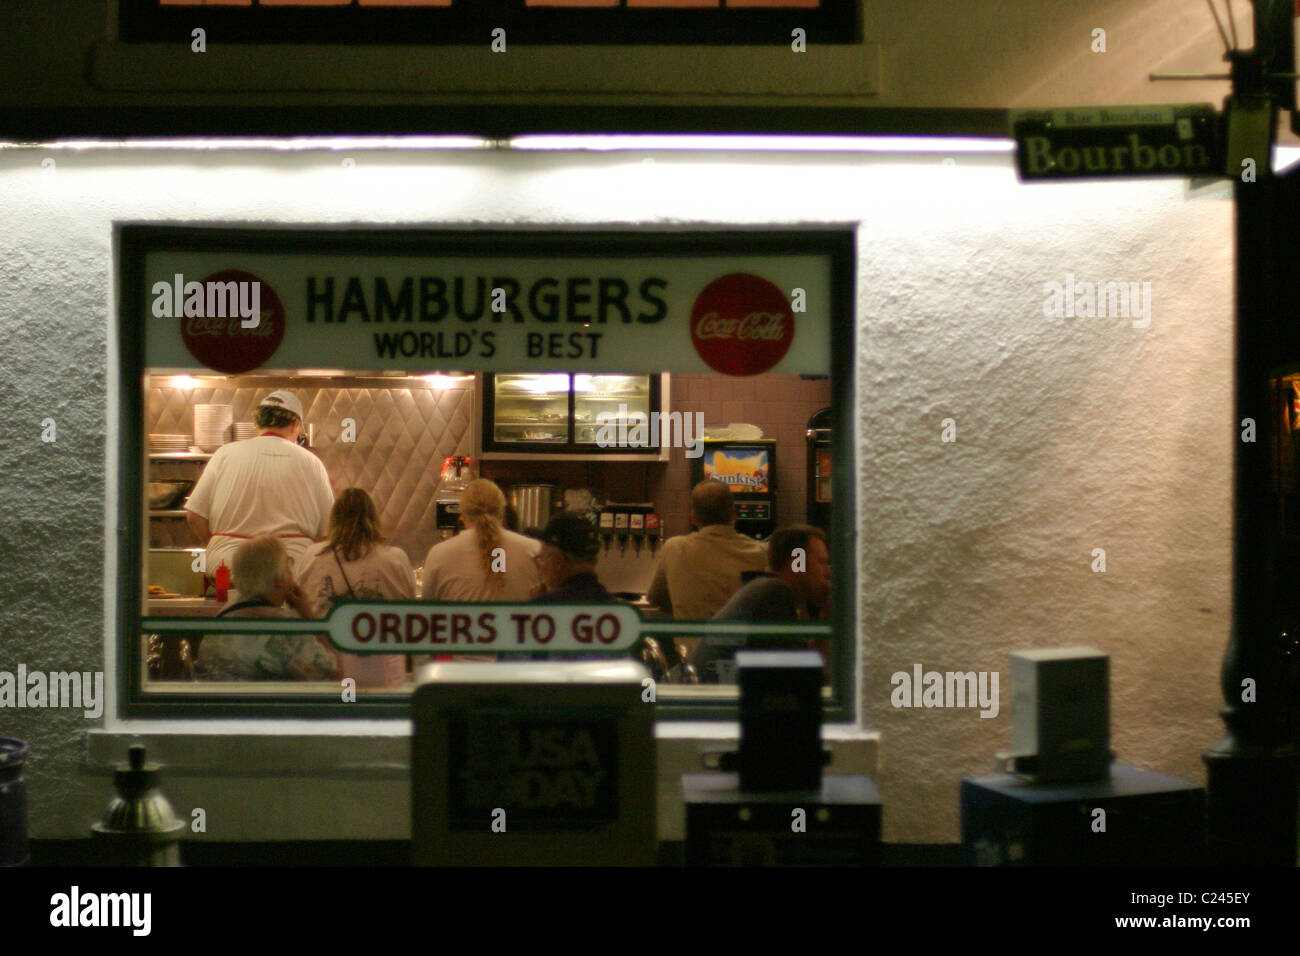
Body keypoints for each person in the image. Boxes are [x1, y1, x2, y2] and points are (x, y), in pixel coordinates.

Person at [186, 390, 334, 590]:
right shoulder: (311, 462)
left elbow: (194, 516)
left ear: (258, 422)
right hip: (290, 572)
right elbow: (328, 530)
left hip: (229, 567)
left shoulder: (225, 454)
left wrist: (217, 544)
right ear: (295, 425)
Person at [295, 488, 415, 687]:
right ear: (374, 518)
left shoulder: (312, 556)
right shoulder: (395, 559)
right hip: (383, 670)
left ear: (334, 519)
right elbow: (411, 617)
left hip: (327, 668)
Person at [690, 524, 831, 684]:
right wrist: (829, 615)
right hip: (714, 702)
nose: (828, 572)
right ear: (797, 563)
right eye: (821, 562)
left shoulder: (765, 591)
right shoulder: (773, 592)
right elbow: (803, 678)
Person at [197, 536, 340, 682]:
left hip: (217, 701)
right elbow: (334, 675)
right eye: (288, 564)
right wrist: (308, 616)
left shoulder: (223, 616)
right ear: (279, 579)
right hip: (263, 703)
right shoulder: (284, 630)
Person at [646, 480, 770, 621]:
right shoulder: (761, 552)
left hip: (688, 643)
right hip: (739, 643)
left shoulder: (673, 548)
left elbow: (656, 598)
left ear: (693, 517)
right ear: (733, 513)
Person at [421, 478, 542, 602]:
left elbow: (427, 609)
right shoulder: (534, 550)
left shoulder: (439, 554)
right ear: (502, 511)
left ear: (462, 514)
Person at [527, 511, 615, 603]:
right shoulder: (614, 605)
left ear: (557, 562)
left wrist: (536, 606)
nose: (541, 568)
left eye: (542, 558)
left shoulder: (545, 607)